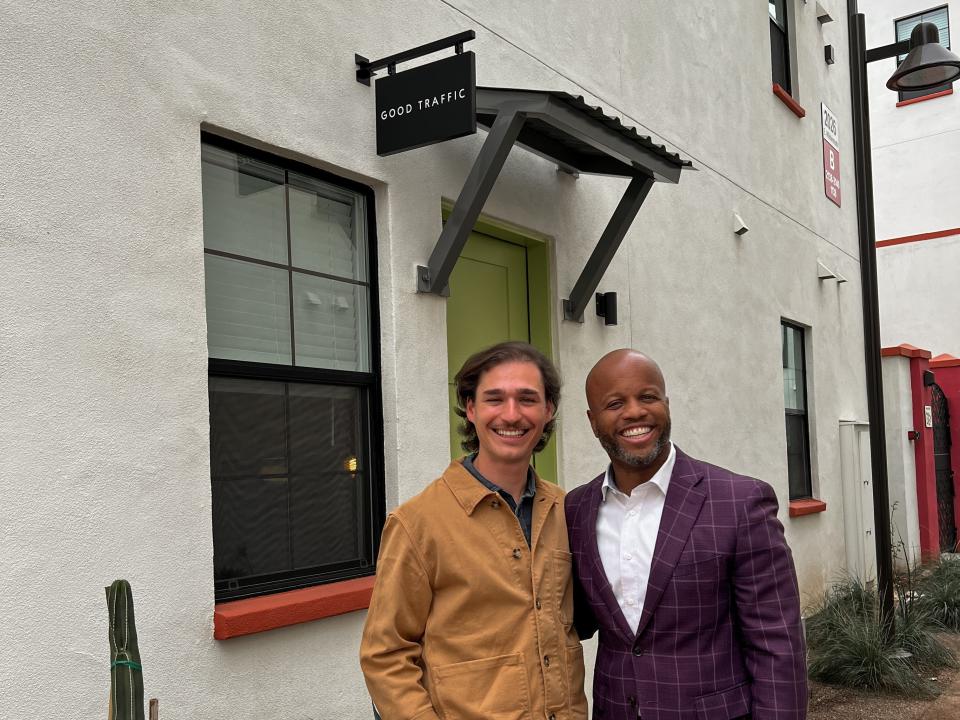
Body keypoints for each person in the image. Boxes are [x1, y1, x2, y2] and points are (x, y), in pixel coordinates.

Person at [565, 349, 807, 720]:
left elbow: (777, 645)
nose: (634, 412)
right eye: (614, 403)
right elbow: (572, 620)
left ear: (666, 403)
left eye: (647, 397)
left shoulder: (740, 502)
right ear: (592, 420)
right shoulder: (577, 509)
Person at [360, 341, 588, 720]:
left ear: (549, 411)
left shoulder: (568, 511)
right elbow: (385, 655)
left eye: (528, 399)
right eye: (494, 399)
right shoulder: (418, 523)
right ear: (471, 408)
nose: (511, 415)